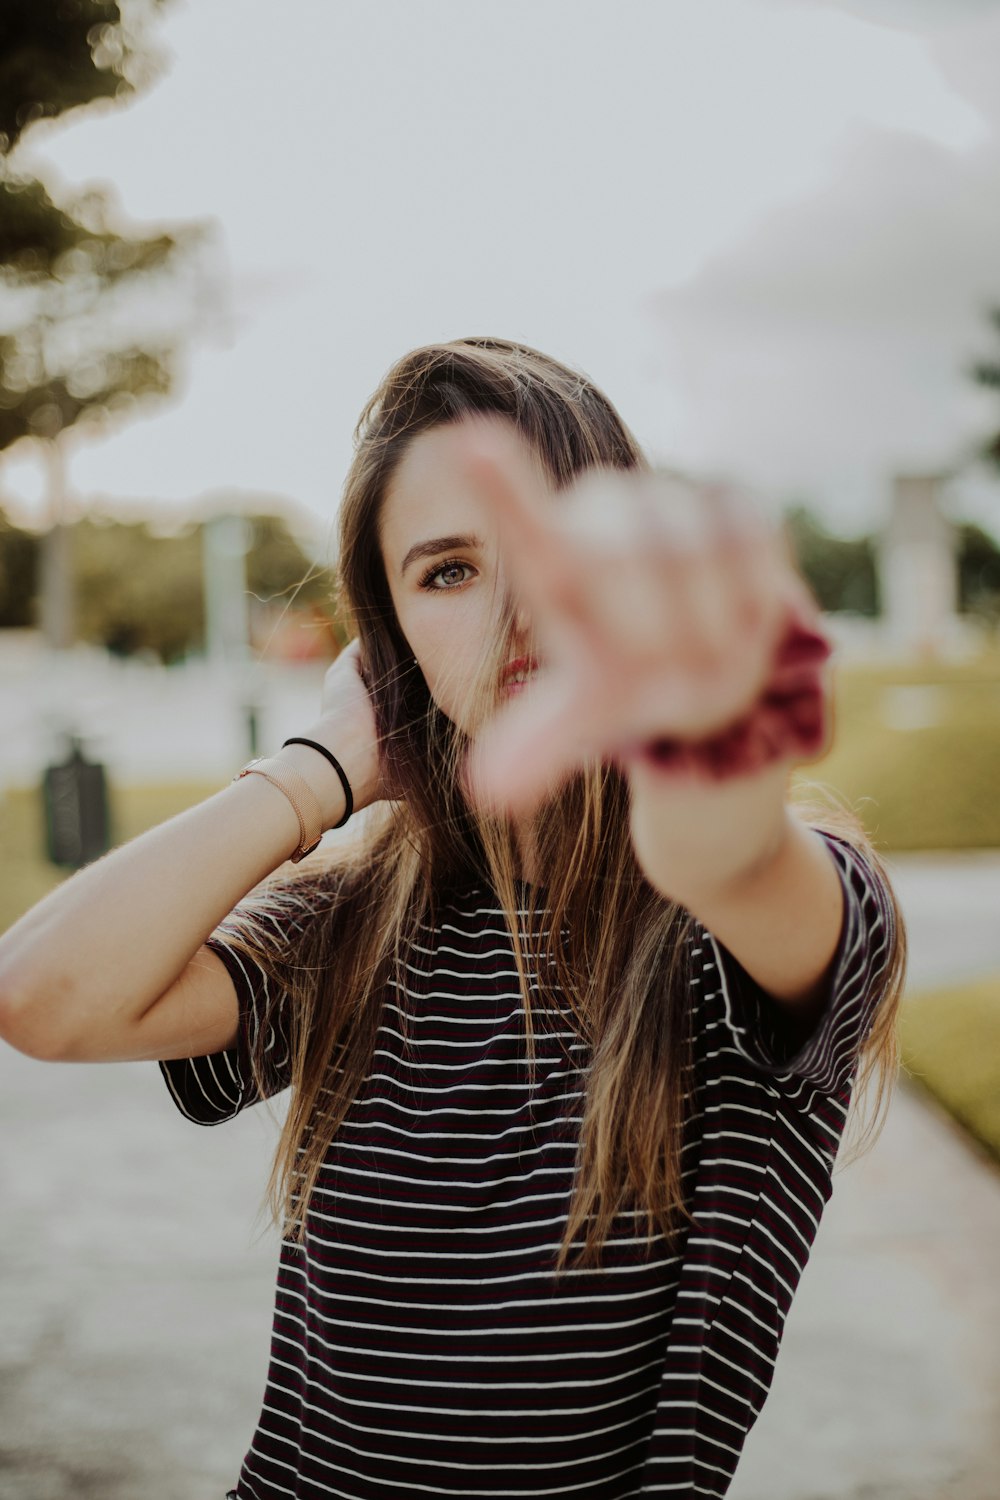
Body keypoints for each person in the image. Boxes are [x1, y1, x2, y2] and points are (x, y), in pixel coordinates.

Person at [0, 337, 905, 1499]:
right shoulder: (351, 926)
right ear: (388, 645)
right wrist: (322, 764)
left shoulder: (763, 914)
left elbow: (724, 858)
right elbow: (42, 998)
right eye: (447, 572)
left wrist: (704, 767)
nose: (521, 602)